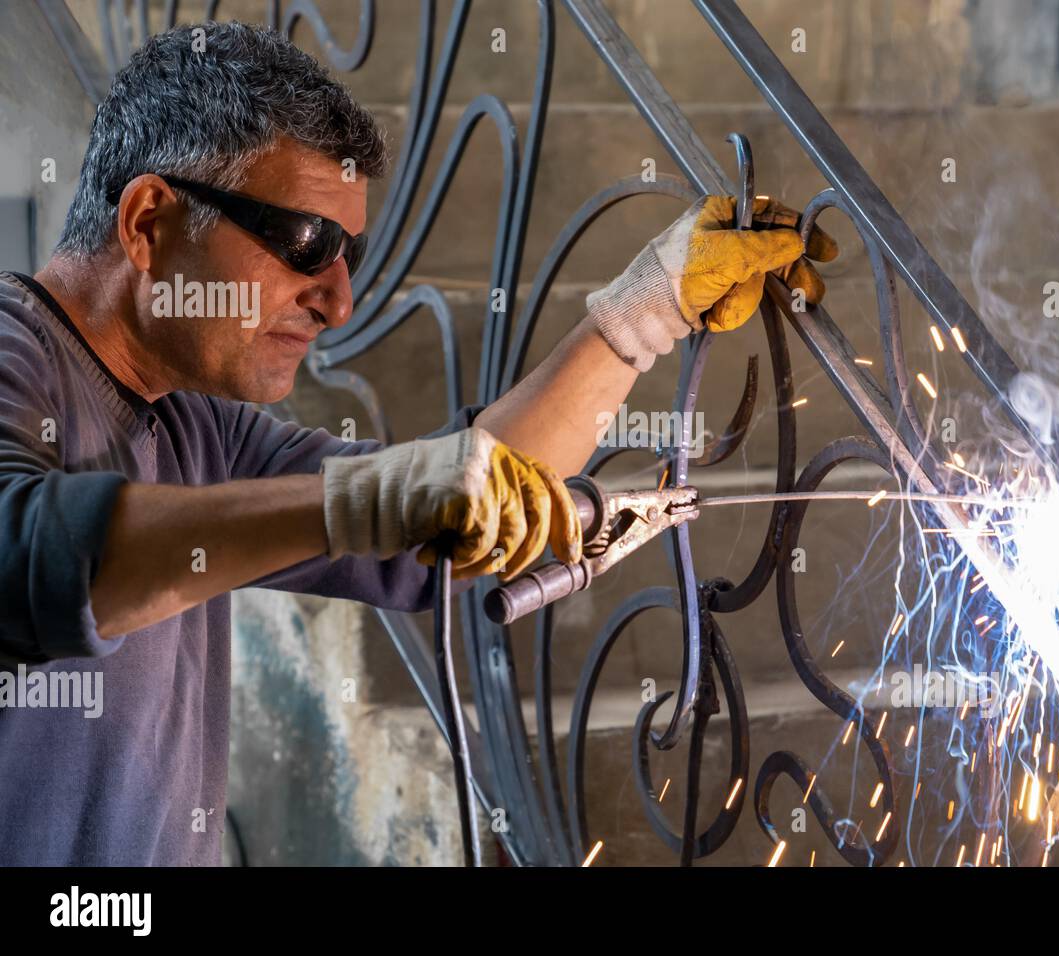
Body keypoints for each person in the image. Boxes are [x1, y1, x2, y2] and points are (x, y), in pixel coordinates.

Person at [0, 21, 835, 864]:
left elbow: (424, 530)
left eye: (350, 252)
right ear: (150, 222)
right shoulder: (15, 354)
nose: (339, 301)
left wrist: (641, 314)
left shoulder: (193, 419)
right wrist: (365, 502)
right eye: (305, 245)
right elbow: (28, 551)